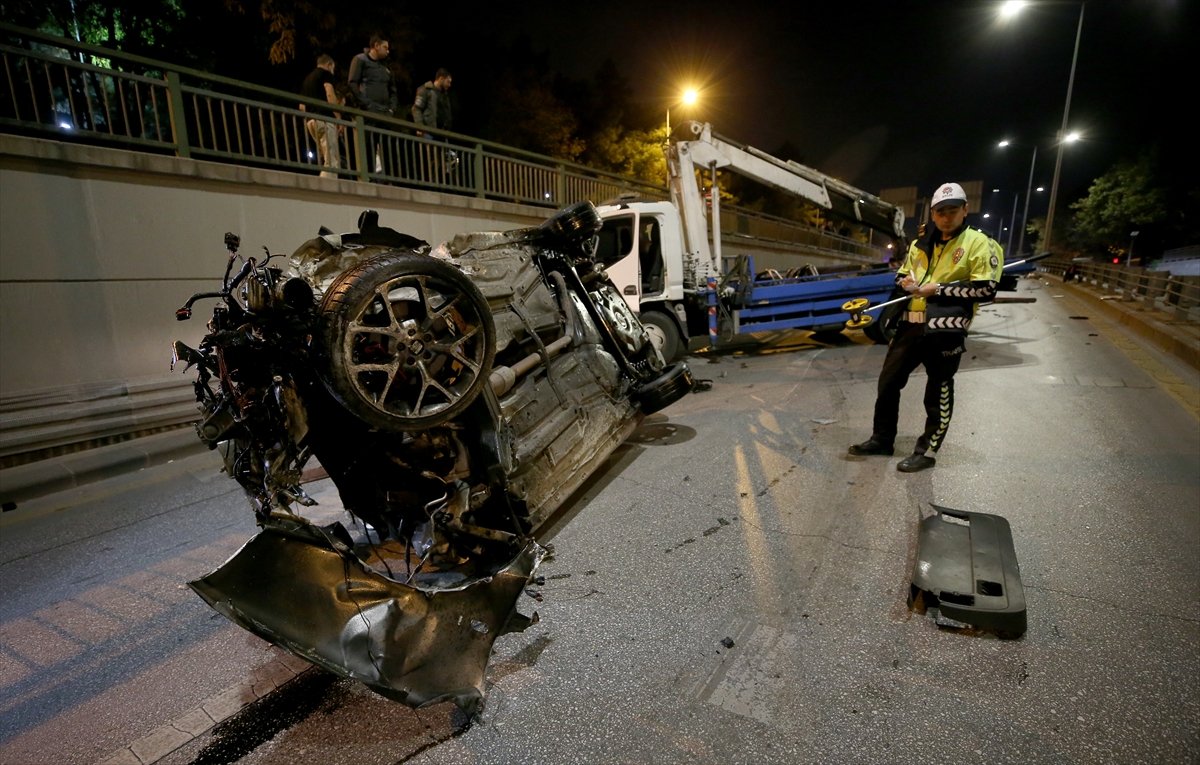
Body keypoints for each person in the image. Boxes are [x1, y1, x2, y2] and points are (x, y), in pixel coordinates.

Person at [848, 182, 1004, 472]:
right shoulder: (920, 243)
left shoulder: (978, 243)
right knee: (888, 383)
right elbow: (902, 274)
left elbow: (987, 289)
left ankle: (927, 451)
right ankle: (882, 440)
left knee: (939, 391)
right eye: (940, 211)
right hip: (910, 325)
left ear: (965, 210)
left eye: (952, 210)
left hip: (945, 330)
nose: (946, 217)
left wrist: (938, 289)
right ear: (933, 214)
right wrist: (906, 283)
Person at [347, 35, 397, 174]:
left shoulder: (386, 68)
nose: (388, 51)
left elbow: (393, 91)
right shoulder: (360, 60)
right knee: (368, 148)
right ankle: (368, 178)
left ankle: (389, 180)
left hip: (385, 114)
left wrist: (392, 109)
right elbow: (352, 83)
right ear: (376, 45)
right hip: (368, 113)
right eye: (385, 47)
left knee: (388, 149)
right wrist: (366, 104)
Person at [299, 54, 341, 178]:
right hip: (325, 119)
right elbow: (329, 94)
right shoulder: (326, 74)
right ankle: (328, 190)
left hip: (311, 122)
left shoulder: (307, 79)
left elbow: (301, 106)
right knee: (332, 162)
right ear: (329, 65)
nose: (332, 71)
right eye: (333, 68)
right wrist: (338, 118)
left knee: (327, 158)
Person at [411, 68, 453, 134]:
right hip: (428, 132)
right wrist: (420, 127)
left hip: (442, 134)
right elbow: (416, 109)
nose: (449, 85)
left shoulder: (445, 95)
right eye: (448, 82)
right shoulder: (426, 90)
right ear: (441, 79)